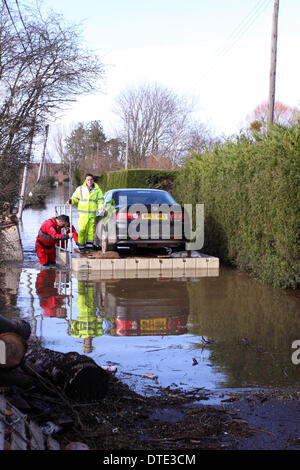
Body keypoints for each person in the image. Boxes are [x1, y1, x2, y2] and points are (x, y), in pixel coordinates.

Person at [66, 173, 104, 252]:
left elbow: (101, 200)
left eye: (91, 179)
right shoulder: (80, 189)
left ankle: (89, 247)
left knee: (91, 232)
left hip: (92, 214)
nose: (90, 181)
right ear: (85, 180)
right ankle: (81, 246)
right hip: (83, 215)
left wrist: (101, 206)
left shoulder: (98, 190)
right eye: (88, 180)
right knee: (82, 230)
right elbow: (75, 198)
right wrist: (70, 201)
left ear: (93, 180)